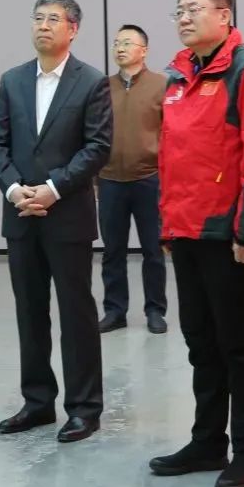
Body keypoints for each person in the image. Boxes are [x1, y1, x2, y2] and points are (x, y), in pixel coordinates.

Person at [150, 0, 244, 487]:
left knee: (236, 345)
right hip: (185, 228)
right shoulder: (179, 74)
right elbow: (170, 157)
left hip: (225, 233)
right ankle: (207, 442)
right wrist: (166, 223)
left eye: (193, 9)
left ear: (224, 15)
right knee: (200, 343)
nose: (183, 19)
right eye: (178, 11)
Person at [0, 0, 112, 443]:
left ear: (72, 29)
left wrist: (53, 189)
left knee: (76, 313)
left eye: (53, 19)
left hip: (68, 215)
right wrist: (15, 189)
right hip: (21, 214)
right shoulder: (12, 80)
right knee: (30, 311)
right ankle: (37, 402)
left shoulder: (91, 82)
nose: (43, 25)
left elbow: (97, 147)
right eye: (37, 18)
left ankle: (84, 407)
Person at [97, 24, 168, 335]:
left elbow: (171, 135)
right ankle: (115, 311)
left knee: (153, 249)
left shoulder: (162, 85)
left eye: (127, 42)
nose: (120, 48)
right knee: (112, 251)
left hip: (149, 179)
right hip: (109, 180)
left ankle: (155, 310)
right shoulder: (102, 87)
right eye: (116, 43)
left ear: (144, 50)